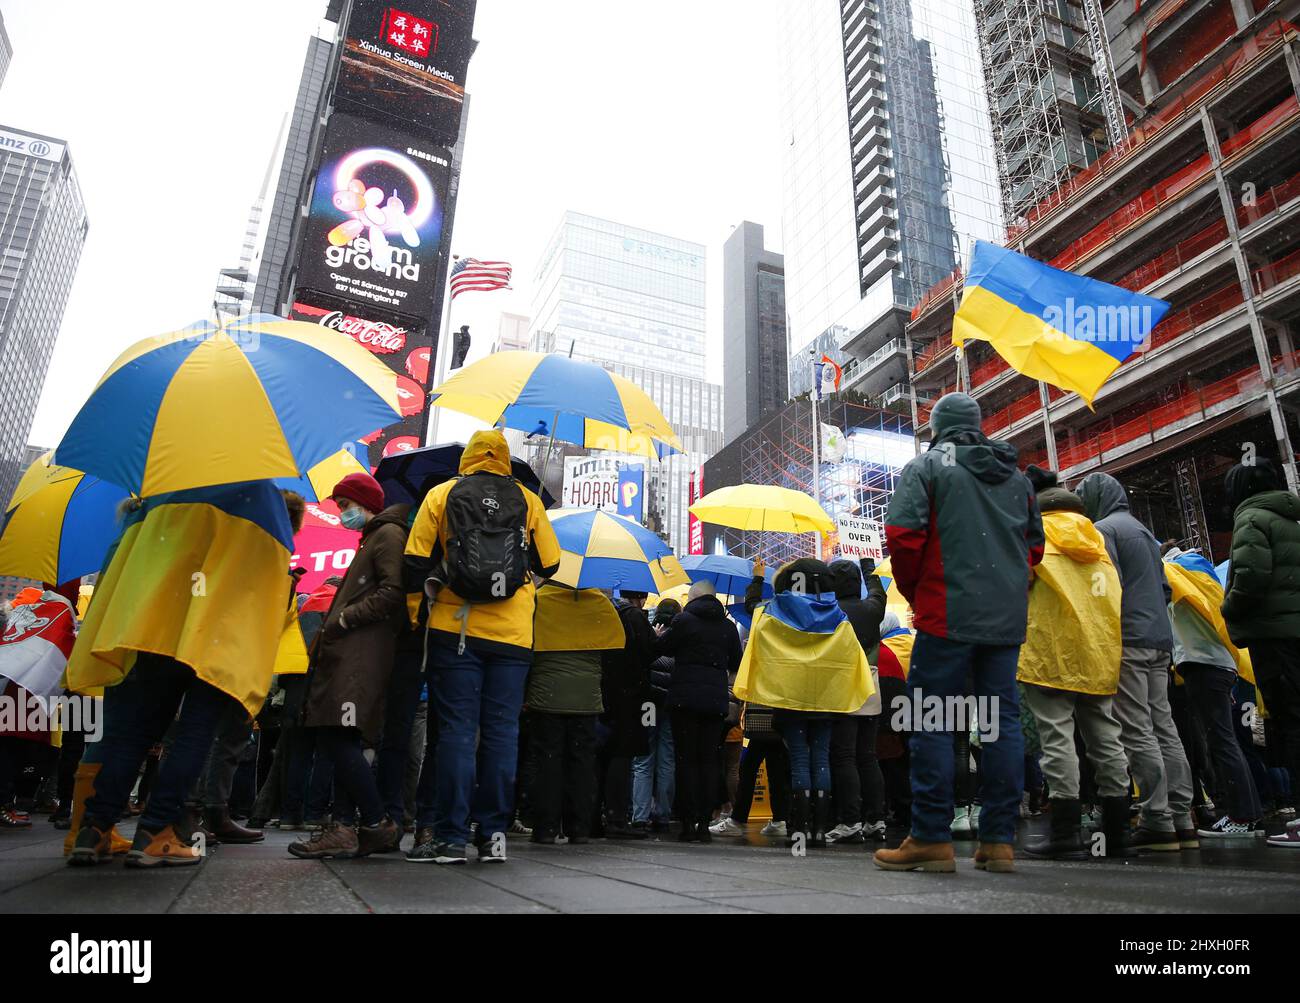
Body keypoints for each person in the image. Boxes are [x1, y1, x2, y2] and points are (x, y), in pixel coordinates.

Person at [66, 482, 299, 868]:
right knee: (196, 732)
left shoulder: (168, 489)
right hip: (217, 633)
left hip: (158, 625)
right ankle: (156, 832)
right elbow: (266, 582)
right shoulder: (261, 496)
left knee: (134, 733)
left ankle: (94, 828)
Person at [875, 392, 1043, 874]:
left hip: (946, 613)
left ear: (937, 429)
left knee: (932, 719)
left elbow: (903, 538)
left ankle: (930, 836)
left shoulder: (927, 467)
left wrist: (916, 590)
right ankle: (999, 841)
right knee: (1000, 722)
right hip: (1004, 620)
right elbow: (1034, 549)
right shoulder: (1018, 479)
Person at [403, 431, 561, 864]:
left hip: (455, 630)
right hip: (512, 637)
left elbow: (415, 561)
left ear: (469, 458)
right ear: (506, 460)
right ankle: (493, 835)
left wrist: (420, 612)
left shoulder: (441, 495)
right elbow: (551, 563)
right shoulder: (528, 500)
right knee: (501, 735)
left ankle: (451, 837)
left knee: (454, 732)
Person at [290, 473, 410, 860]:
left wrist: (344, 619)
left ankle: (375, 823)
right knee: (340, 738)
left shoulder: (387, 535)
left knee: (338, 737)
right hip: (353, 653)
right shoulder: (373, 536)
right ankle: (346, 826)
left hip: (361, 655)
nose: (342, 513)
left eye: (345, 505)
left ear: (365, 502)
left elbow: (393, 591)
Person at [1016, 468, 1130, 859]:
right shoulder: (1097, 539)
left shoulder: (1033, 535)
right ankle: (1118, 832)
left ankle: (1066, 831)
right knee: (1105, 737)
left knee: (1057, 738)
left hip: (1050, 650)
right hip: (1099, 650)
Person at [1079, 472, 1196, 851]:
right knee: (1165, 725)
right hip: (1159, 641)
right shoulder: (1145, 532)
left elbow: (1102, 587)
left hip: (1127, 640)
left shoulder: (1103, 530)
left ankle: (1157, 818)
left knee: (1136, 728)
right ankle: (1182, 816)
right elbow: (1164, 588)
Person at [739, 558, 872, 849]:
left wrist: (758, 579)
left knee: (799, 759)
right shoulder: (838, 617)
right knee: (821, 758)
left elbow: (751, 608)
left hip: (790, 700)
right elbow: (849, 658)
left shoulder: (773, 610)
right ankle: (818, 831)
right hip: (826, 701)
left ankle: (799, 830)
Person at [1219, 459, 1300, 850]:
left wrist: (1229, 607)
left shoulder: (1252, 519)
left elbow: (1250, 578)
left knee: (1292, 720)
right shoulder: (1290, 517)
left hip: (1274, 636)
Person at [1163, 546, 1263, 839]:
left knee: (1221, 742)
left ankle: (1241, 817)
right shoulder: (1201, 577)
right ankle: (1249, 813)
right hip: (1219, 664)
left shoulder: (1175, 574)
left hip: (1201, 665)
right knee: (1226, 741)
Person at [526, 584, 623, 844]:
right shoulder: (599, 602)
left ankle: (545, 828)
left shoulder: (539, 599)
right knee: (582, 764)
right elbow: (613, 651)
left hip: (546, 695)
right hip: (586, 698)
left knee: (548, 761)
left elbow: (526, 643)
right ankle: (579, 828)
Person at [654, 580, 742, 842]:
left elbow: (661, 649)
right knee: (709, 761)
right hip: (714, 702)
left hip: (685, 701)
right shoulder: (727, 627)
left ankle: (688, 823)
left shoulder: (684, 621)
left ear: (692, 598)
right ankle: (705, 823)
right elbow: (736, 661)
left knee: (686, 760)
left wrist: (660, 637)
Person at [826, 558, 887, 844]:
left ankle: (849, 820)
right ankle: (876, 819)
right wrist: (868, 566)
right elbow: (878, 591)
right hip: (871, 686)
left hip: (842, 686)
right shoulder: (873, 609)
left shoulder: (829, 611)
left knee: (844, 756)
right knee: (867, 756)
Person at [600, 590, 655, 839]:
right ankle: (617, 818)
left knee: (601, 754)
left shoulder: (603, 610)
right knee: (623, 755)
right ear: (641, 598)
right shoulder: (634, 617)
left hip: (603, 691)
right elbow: (650, 652)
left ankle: (594, 815)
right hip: (631, 695)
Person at [633, 599, 679, 832]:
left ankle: (639, 815)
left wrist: (652, 639)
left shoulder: (650, 636)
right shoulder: (680, 639)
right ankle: (662, 814)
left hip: (648, 704)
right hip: (670, 705)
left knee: (643, 758)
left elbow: (641, 666)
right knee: (667, 759)